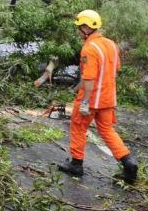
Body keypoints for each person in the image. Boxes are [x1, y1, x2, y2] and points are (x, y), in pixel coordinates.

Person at [58, 10, 138, 184]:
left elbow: (89, 78)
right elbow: (115, 69)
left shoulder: (89, 48)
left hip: (92, 98)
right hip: (108, 98)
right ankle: (129, 162)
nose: (79, 31)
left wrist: (85, 101)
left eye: (80, 28)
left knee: (78, 127)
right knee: (107, 130)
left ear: (86, 28)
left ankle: (76, 164)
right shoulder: (111, 44)